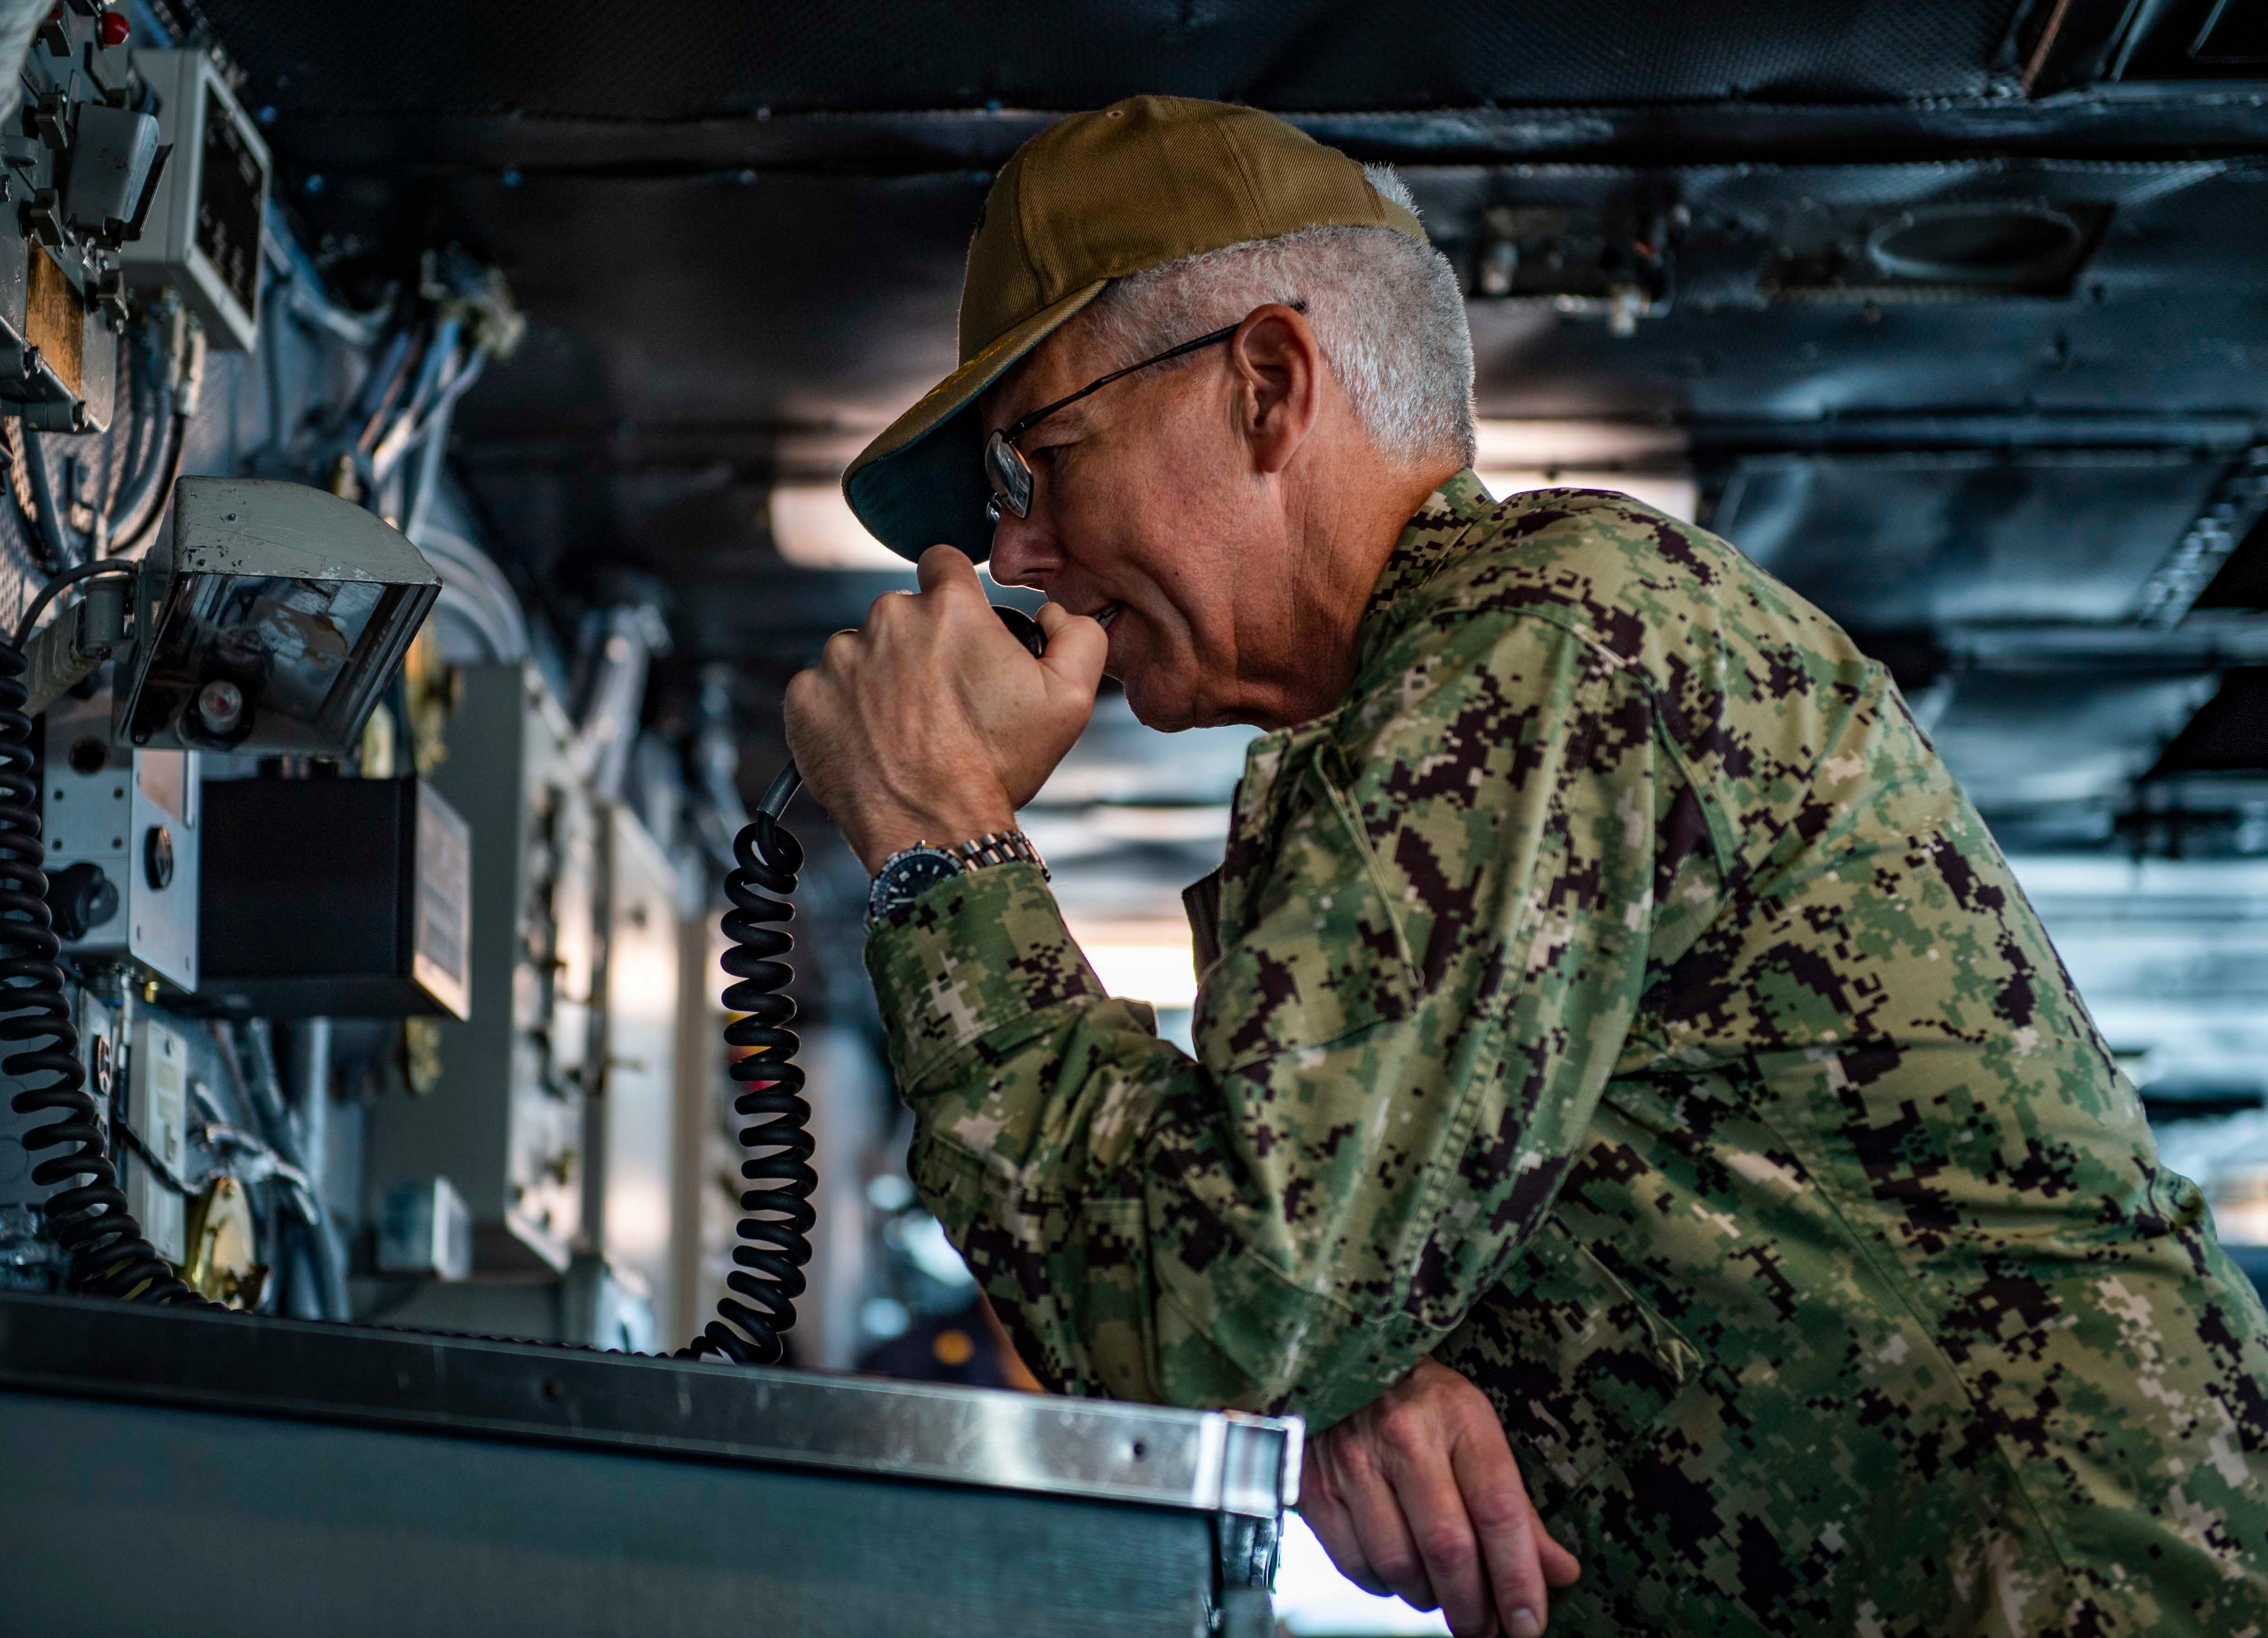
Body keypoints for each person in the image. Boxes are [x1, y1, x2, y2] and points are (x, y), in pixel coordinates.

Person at [783, 95, 2268, 1636]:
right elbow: (1299, 1286)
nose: (1011, 558)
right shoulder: (1376, 746)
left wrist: (937, 841)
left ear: (1268, 386)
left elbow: (1224, 1316)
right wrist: (1354, 1375)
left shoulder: (1543, 643)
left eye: (1037, 465)